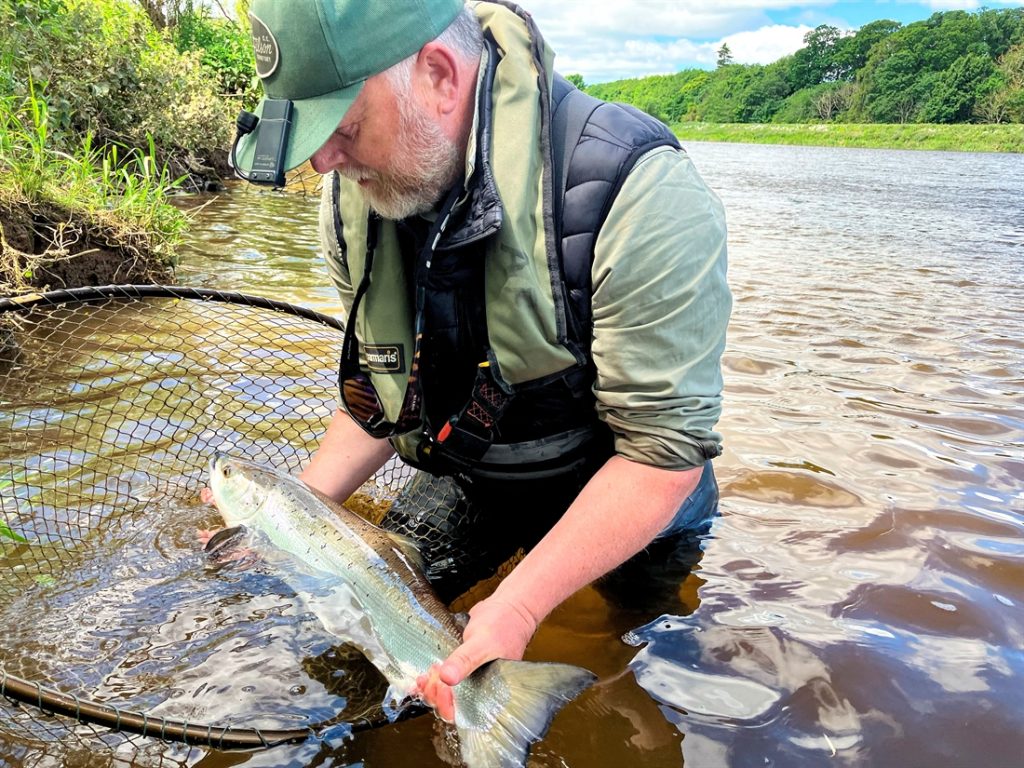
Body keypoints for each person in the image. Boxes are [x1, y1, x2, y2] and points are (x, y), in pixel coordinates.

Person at [233, 0, 731, 722]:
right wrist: (286, 514)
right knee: (347, 649)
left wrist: (521, 606)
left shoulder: (641, 193)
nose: (321, 162)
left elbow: (662, 455)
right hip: (477, 475)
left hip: (631, 490)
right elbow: (383, 394)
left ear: (437, 75)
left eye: (341, 128)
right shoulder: (355, 197)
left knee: (634, 663)